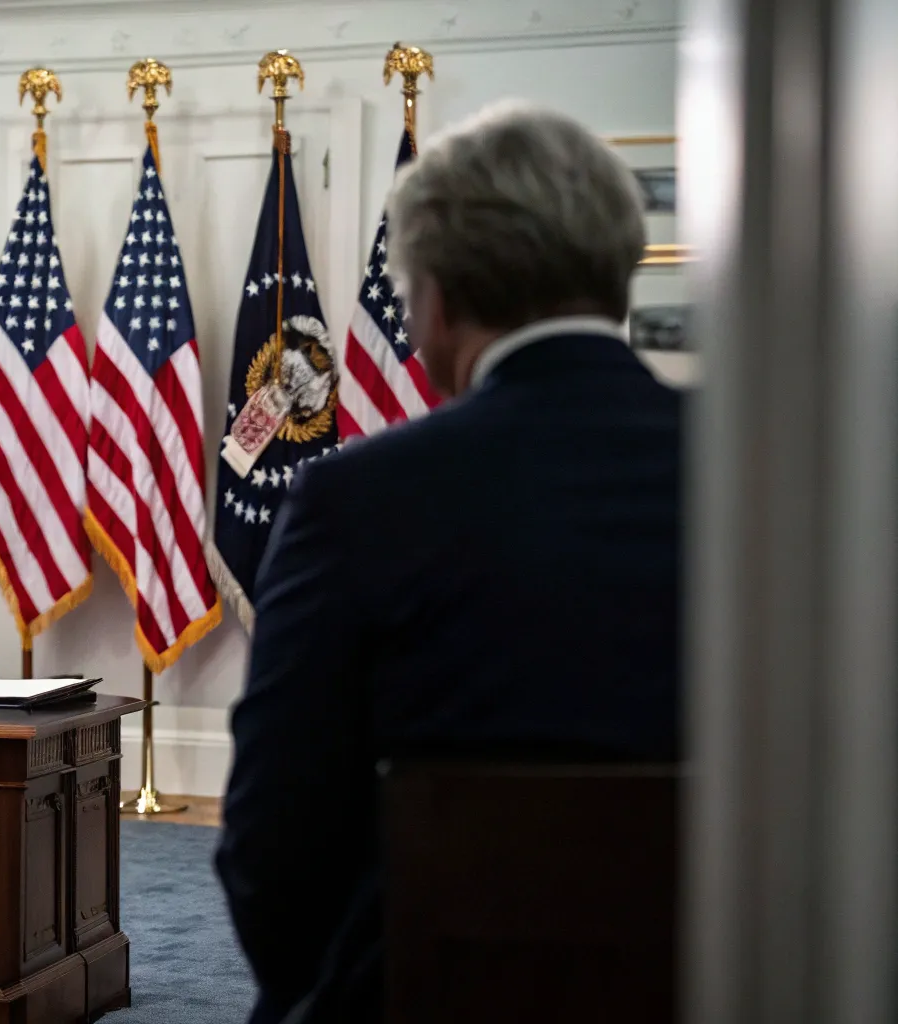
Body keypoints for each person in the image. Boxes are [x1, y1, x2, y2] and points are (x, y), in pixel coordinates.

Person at [216, 101, 683, 1024]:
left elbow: (274, 853)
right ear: (618, 271)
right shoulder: (786, 485)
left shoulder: (358, 501)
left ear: (437, 297)